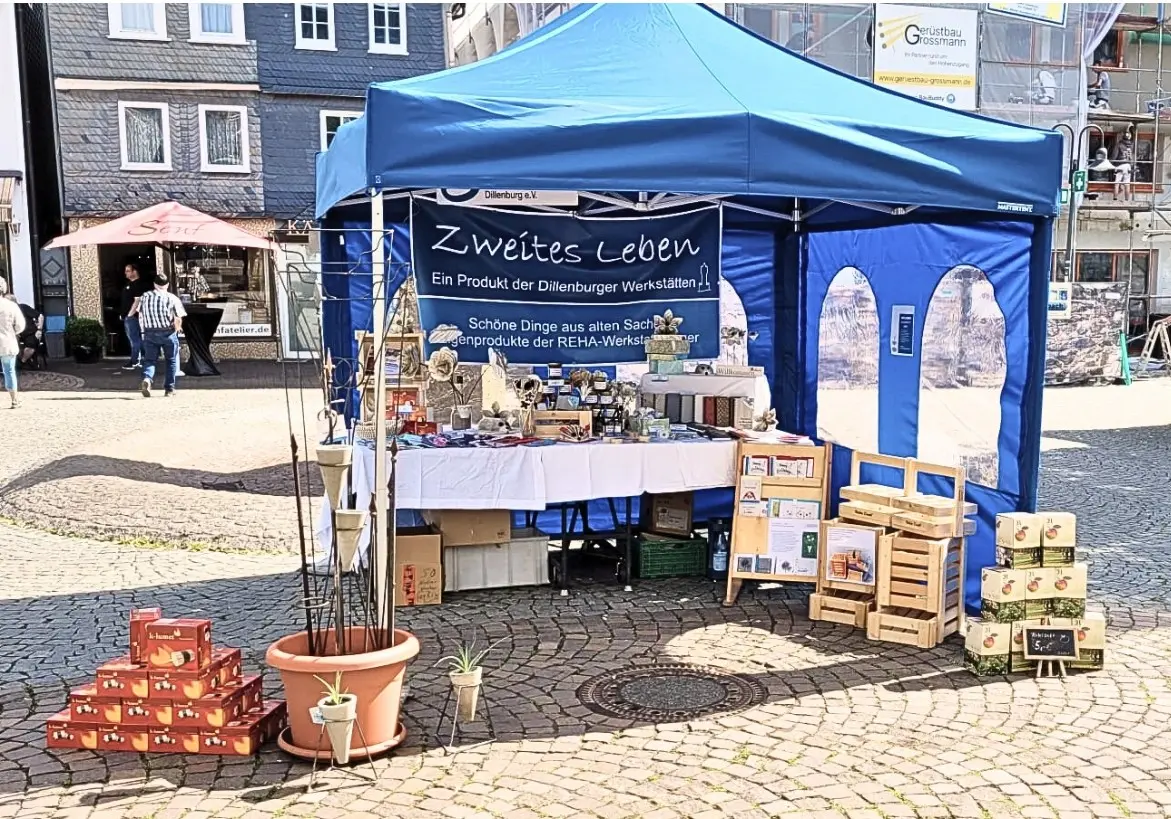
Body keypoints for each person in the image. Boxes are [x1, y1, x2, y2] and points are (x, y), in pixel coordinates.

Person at [130, 273, 186, 397]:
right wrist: (177, 328)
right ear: (167, 285)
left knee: (150, 360)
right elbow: (178, 318)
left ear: (154, 284)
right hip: (168, 332)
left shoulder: (145, 296)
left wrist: (142, 329)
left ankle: (147, 379)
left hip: (150, 332)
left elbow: (140, 313)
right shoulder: (172, 298)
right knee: (171, 361)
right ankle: (169, 389)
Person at [0, 281, 26, 409]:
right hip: (7, 342)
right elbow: (20, 325)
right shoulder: (11, 306)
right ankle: (14, 400)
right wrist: (12, 332)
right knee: (9, 371)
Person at [119, 263, 150, 371]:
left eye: (128, 270)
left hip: (133, 317)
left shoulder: (138, 285)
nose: (125, 273)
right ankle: (142, 359)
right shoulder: (129, 284)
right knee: (136, 339)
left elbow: (137, 300)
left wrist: (130, 315)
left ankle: (135, 360)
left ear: (134, 271)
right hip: (129, 316)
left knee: (134, 339)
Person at [1114, 128, 1135, 201]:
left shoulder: (1119, 144)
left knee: (1117, 183)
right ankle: (1127, 200)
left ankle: (1115, 199)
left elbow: (1114, 155)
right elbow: (1132, 156)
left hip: (1120, 165)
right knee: (1127, 184)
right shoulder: (1131, 145)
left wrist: (1112, 163)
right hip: (1128, 166)